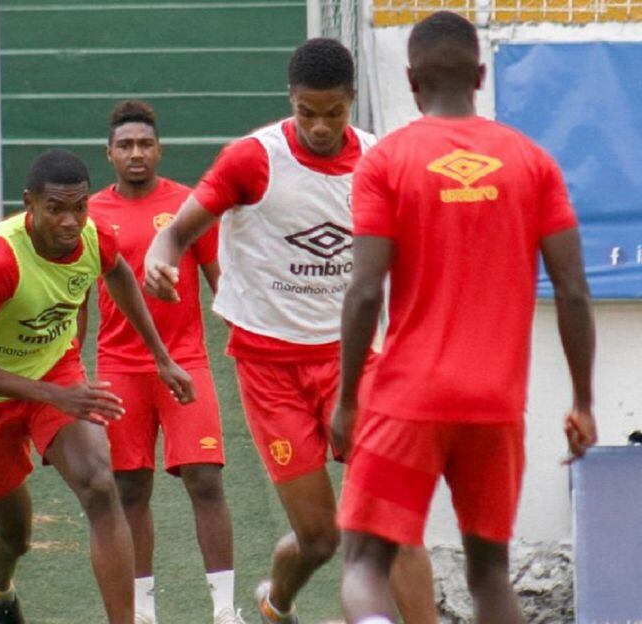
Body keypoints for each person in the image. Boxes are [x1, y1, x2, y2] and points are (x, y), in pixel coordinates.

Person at [143, 39, 437, 624]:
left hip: (355, 362)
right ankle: (277, 604)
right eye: (307, 112)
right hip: (268, 369)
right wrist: (161, 252)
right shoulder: (253, 159)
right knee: (321, 536)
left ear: (353, 100)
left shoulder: (379, 163)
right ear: (291, 101)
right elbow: (178, 231)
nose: (321, 126)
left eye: (334, 113)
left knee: (393, 518)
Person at [331, 11, 597, 624]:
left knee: (365, 565)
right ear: (480, 75)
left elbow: (365, 290)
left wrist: (348, 400)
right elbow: (575, 290)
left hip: (408, 400)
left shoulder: (386, 161)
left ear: (411, 80)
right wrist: (582, 402)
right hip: (495, 405)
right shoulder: (533, 162)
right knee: (490, 574)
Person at [0, 148, 195, 624]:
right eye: (56, 209)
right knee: (14, 537)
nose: (70, 221)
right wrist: (52, 395)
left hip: (56, 374)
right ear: (29, 203)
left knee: (101, 486)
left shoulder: (93, 237)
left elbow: (117, 272)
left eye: (79, 208)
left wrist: (162, 357)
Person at [87, 100, 239, 624]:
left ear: (159, 150)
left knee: (205, 478)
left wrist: (242, 340)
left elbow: (222, 280)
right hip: (118, 367)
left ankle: (223, 610)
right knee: (129, 487)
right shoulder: (90, 215)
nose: (136, 154)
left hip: (187, 360)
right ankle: (143, 612)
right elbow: (77, 295)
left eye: (145, 144)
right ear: (109, 153)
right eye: (125, 145)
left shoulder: (189, 207)